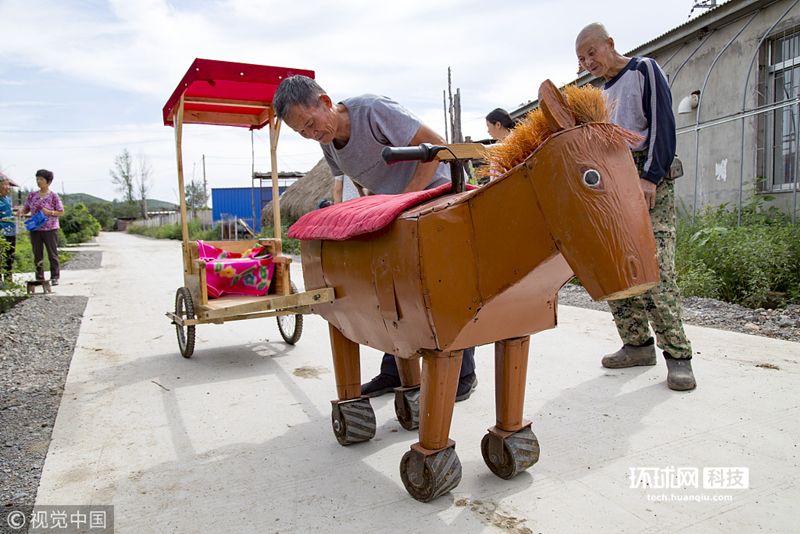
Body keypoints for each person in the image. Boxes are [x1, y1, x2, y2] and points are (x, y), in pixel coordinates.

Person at [273, 75, 478, 401]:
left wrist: (400, 201)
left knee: (446, 287)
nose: (313, 135)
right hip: (399, 209)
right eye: (303, 132)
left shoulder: (372, 110)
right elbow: (351, 184)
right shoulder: (328, 145)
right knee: (393, 289)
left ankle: (463, 375)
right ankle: (394, 371)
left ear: (326, 102)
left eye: (312, 124)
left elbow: (437, 148)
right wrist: (356, 217)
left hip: (440, 196)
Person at [575, 23, 695, 391]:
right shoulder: (600, 93)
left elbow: (663, 123)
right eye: (581, 59)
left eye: (592, 52)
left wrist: (651, 176)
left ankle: (678, 357)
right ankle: (636, 344)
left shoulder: (644, 69)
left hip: (647, 178)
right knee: (617, 269)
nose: (588, 62)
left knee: (656, 269)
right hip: (614, 183)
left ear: (610, 44)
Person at [20, 169, 64, 286]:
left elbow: (61, 212)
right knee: (37, 253)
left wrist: (48, 212)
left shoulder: (53, 196)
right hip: (35, 228)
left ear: (48, 181)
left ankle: (55, 276)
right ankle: (39, 276)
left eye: (41, 179)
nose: (38, 181)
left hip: (50, 229)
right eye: (37, 179)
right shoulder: (32, 195)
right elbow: (26, 208)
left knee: (52, 253)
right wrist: (22, 211)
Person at [0, 173, 18, 284]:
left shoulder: (7, 199)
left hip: (10, 231)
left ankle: (8, 279)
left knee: (10, 256)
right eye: (4, 185)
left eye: (8, 185)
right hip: (1, 232)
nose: (7, 187)